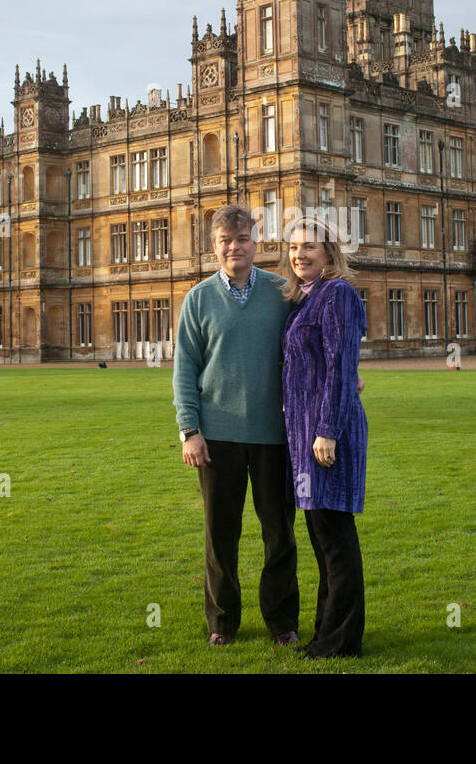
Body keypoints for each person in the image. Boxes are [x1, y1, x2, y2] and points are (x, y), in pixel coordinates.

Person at [172, 203, 300, 647]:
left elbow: (311, 343)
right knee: (219, 536)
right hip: (217, 436)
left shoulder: (282, 292)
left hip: (275, 435)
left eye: (242, 239)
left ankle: (282, 622)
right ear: (214, 246)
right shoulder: (199, 298)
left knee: (279, 534)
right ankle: (222, 622)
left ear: (255, 243)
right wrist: (189, 430)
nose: (235, 247)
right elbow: (185, 367)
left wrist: (346, 370)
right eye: (226, 240)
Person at [278, 216, 368, 658]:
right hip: (304, 440)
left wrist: (327, 431)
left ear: (329, 252)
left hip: (326, 436)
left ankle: (341, 640)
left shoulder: (339, 294)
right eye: (294, 248)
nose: (300, 255)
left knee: (335, 539)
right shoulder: (304, 300)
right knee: (321, 539)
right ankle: (325, 635)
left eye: (309, 247)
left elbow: (339, 365)